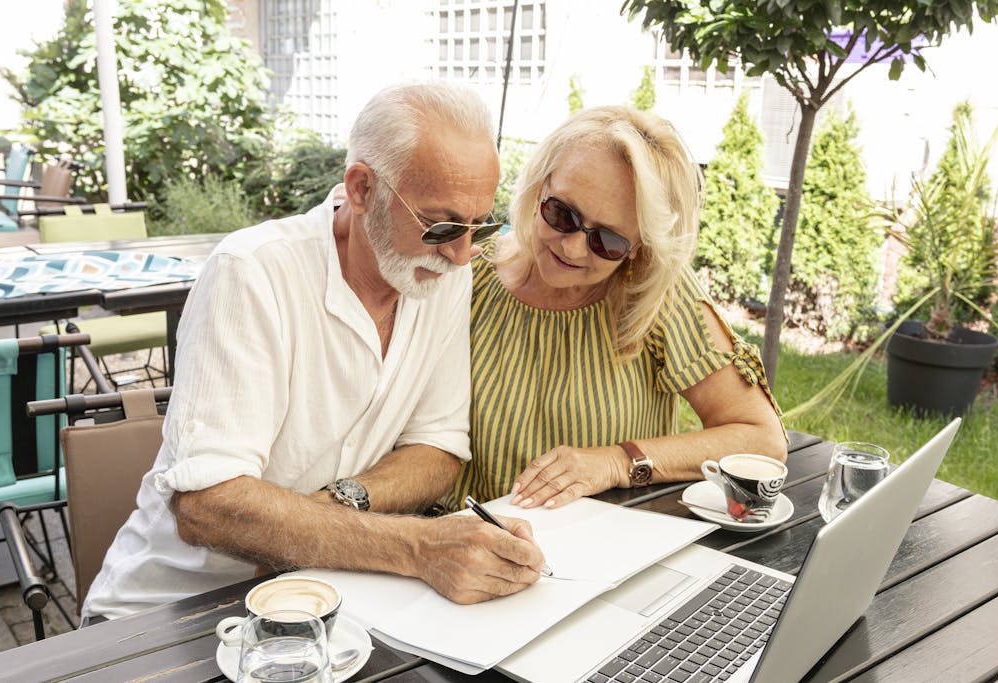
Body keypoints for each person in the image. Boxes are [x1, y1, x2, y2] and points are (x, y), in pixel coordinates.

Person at [83, 83, 545, 620]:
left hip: (324, 597)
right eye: (440, 225)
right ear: (362, 189)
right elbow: (206, 504)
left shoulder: (441, 273)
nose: (462, 255)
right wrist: (417, 548)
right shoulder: (253, 272)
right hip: (173, 612)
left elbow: (438, 448)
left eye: (478, 225)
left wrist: (331, 509)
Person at [444, 106, 786, 511]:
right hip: (464, 534)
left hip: (603, 540)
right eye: (562, 214)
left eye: (607, 241)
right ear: (540, 186)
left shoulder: (653, 291)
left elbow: (762, 439)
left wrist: (618, 462)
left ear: (639, 247)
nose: (572, 248)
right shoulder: (467, 273)